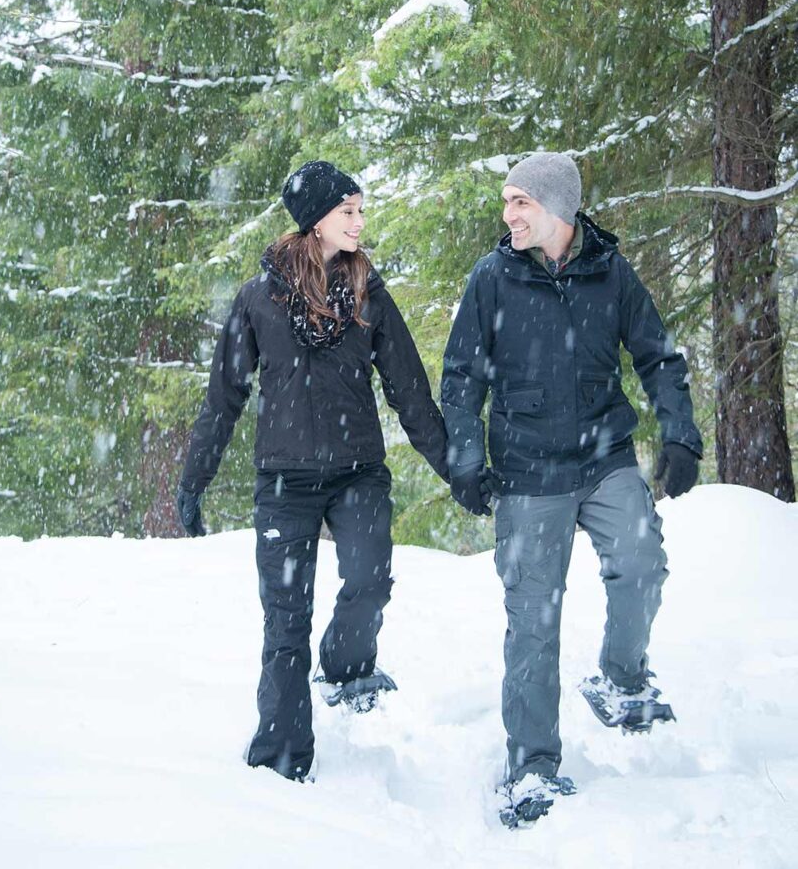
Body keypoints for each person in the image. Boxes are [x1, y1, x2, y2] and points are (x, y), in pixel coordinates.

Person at [441, 152, 702, 827]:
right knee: (534, 621)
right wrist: (466, 457)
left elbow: (657, 355)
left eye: (519, 203)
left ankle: (620, 679)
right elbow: (462, 376)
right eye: (506, 203)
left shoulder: (608, 272)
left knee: (642, 564)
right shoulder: (493, 278)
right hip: (529, 470)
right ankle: (531, 766)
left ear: (557, 208)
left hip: (603, 456)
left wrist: (680, 434)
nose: (508, 216)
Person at [176, 160, 449, 782]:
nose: (359, 221)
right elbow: (224, 398)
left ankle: (348, 667)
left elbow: (409, 391)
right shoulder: (258, 299)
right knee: (285, 620)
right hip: (284, 482)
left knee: (370, 580)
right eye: (348, 211)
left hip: (358, 474)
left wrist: (456, 471)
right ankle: (281, 756)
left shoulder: (368, 292)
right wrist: (194, 480)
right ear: (315, 221)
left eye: (360, 210)